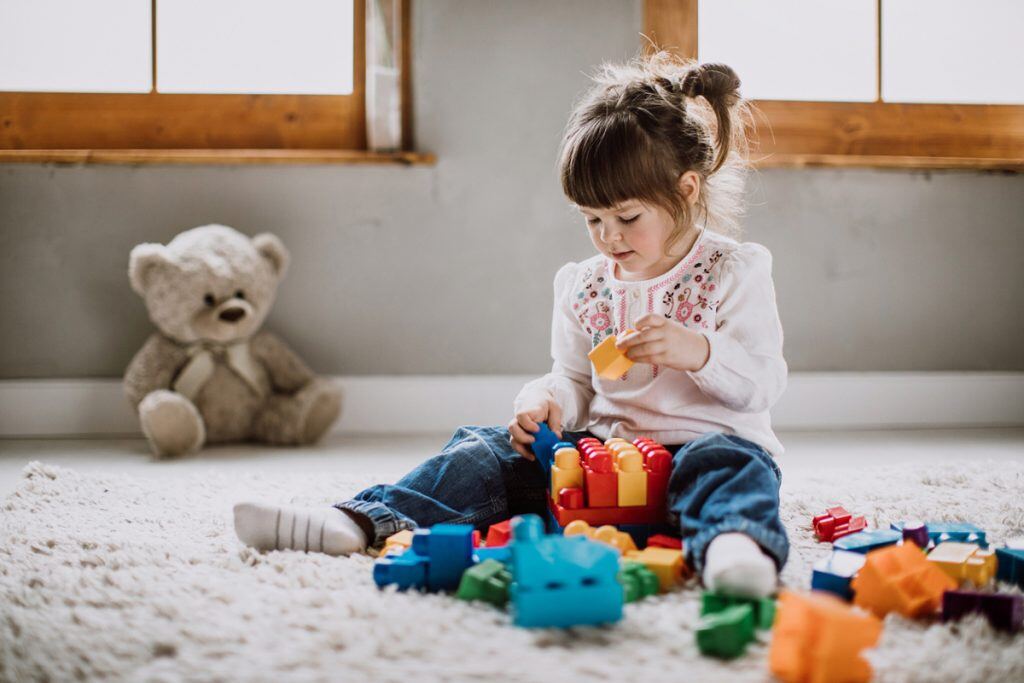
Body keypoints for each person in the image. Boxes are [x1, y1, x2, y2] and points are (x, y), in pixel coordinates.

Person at [234, 52, 788, 598]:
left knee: (734, 469)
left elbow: (763, 384)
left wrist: (699, 351)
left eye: (627, 217)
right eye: (592, 219)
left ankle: (734, 548)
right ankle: (356, 522)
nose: (608, 237)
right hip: (600, 463)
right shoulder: (585, 284)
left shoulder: (732, 270)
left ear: (687, 190)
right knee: (483, 451)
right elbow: (572, 378)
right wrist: (545, 404)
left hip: (705, 450)